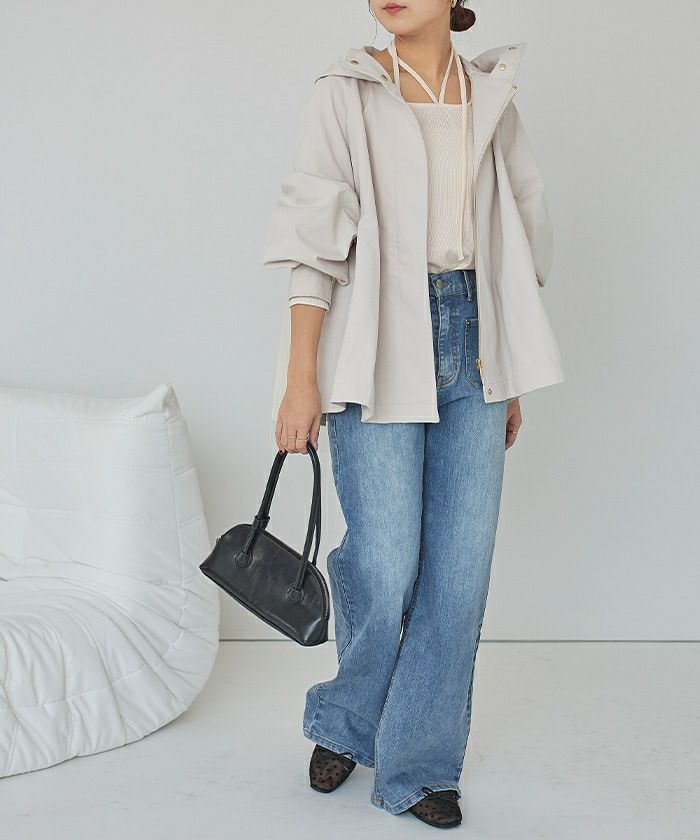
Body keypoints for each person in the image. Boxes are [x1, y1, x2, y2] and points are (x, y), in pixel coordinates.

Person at [261, 0, 565, 829]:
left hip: (477, 342)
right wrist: (299, 379)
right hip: (378, 339)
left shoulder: (492, 94)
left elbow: (516, 235)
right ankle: (348, 719)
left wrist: (510, 372)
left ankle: (420, 766)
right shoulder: (345, 91)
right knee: (385, 559)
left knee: (458, 573)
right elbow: (312, 238)